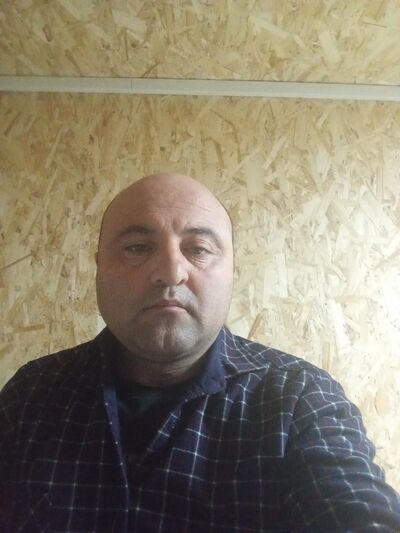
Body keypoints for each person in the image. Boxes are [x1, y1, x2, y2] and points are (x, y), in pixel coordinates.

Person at [1, 172, 399, 532]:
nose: (171, 272)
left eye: (199, 249)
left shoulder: (300, 398)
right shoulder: (31, 394)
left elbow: (358, 512)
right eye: (138, 247)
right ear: (98, 268)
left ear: (232, 273)